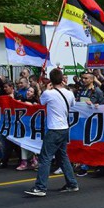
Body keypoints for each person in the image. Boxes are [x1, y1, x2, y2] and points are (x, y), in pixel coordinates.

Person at [25, 68, 78, 197]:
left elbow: (41, 102)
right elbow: (72, 105)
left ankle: (40, 187)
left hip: (54, 128)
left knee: (45, 157)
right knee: (62, 157)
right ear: (63, 79)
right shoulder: (69, 93)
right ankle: (72, 183)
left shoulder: (49, 94)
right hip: (64, 128)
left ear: (51, 80)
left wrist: (44, 89)